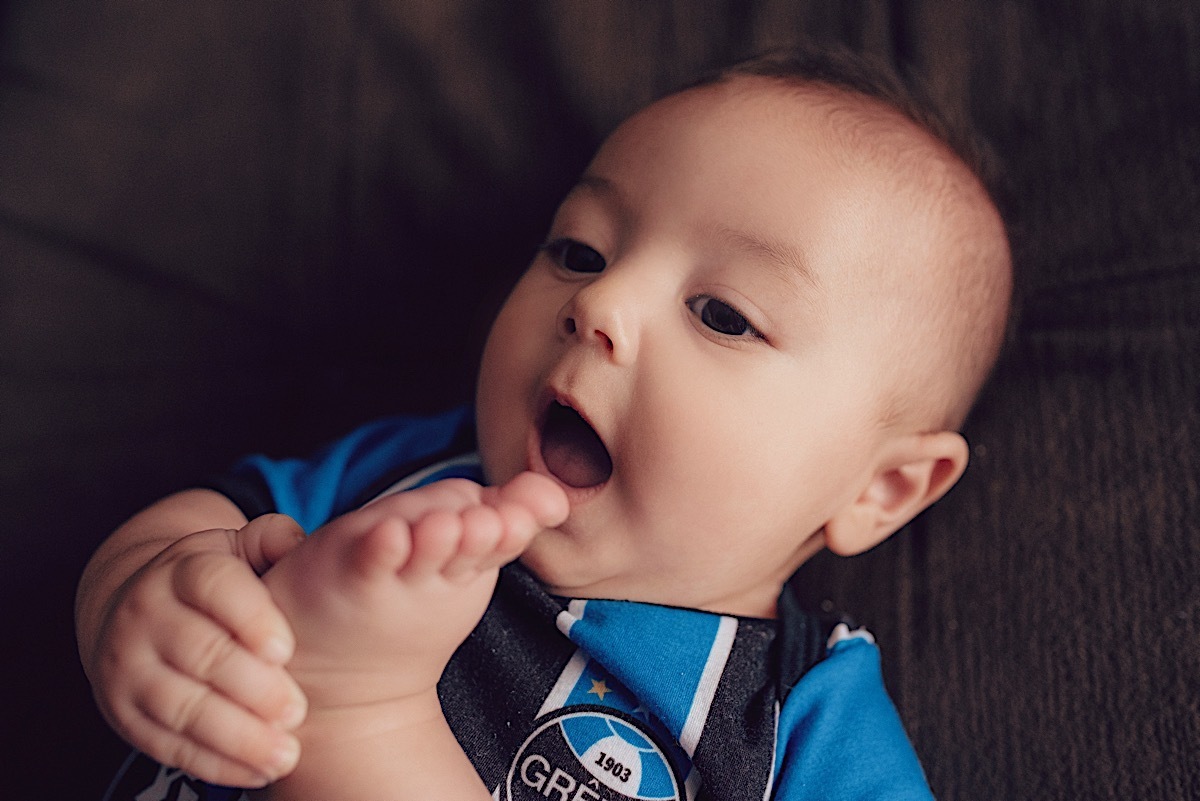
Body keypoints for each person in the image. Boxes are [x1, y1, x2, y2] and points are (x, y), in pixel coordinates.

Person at [77, 46, 1012, 801]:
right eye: (580, 248)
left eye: (722, 313)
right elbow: (202, 519)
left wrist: (358, 716)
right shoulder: (414, 472)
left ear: (879, 488)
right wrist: (143, 592)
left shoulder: (804, 725)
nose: (600, 300)